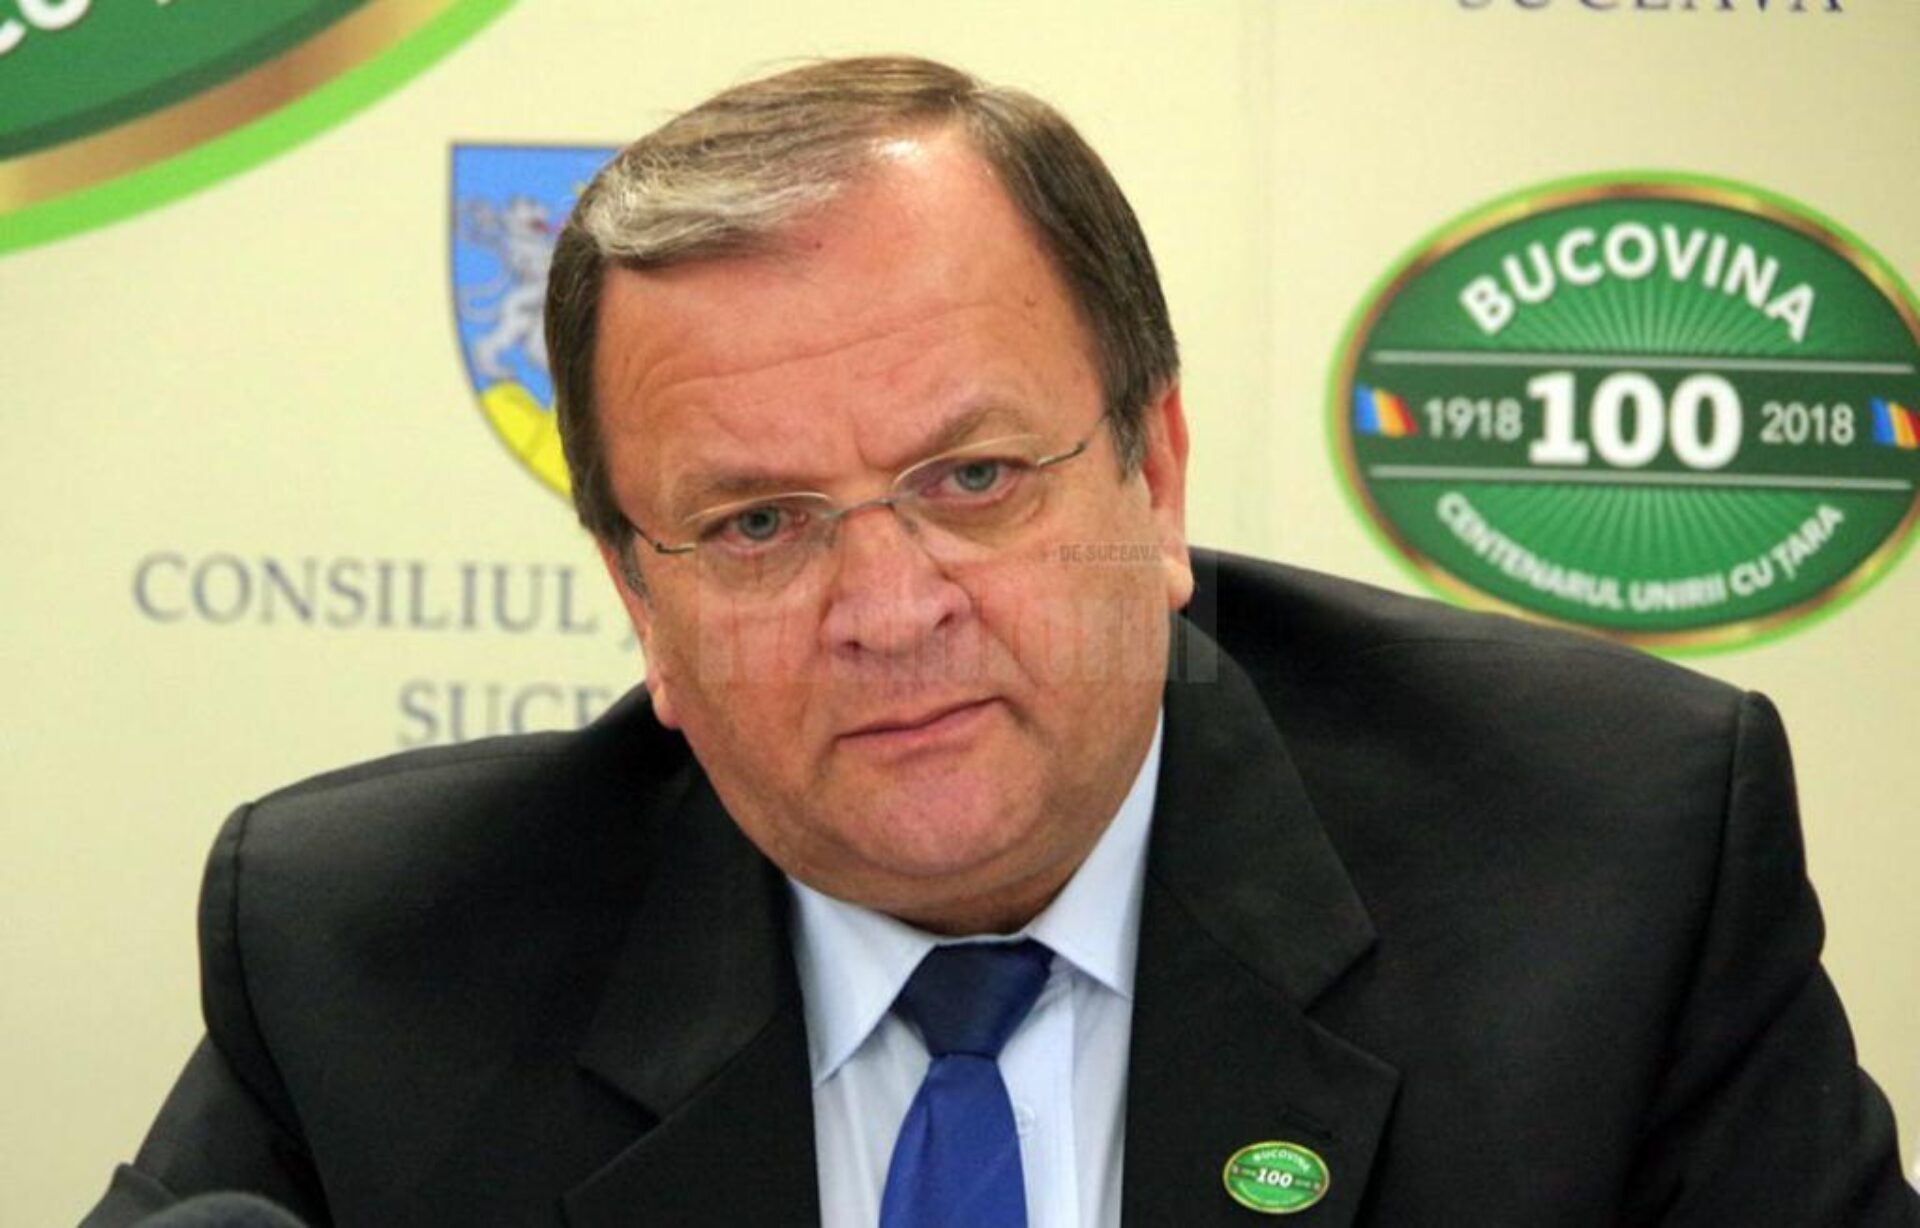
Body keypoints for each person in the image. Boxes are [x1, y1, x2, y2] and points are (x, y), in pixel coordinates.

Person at [85, 56, 1917, 1228]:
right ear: (642, 603)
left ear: (1156, 475)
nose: (892, 612)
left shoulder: (1608, 866)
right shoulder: (368, 960)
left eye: (971, 478)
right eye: (758, 524)